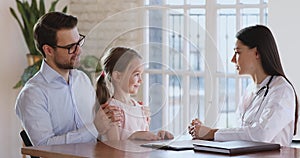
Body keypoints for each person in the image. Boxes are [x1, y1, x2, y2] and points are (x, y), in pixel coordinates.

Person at [15, 12, 121, 146]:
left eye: (79, 42)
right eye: (70, 47)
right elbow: (44, 147)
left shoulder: (82, 79)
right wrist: (94, 128)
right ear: (48, 50)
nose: (79, 51)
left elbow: (99, 127)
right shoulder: (32, 94)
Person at [188, 25, 298, 146]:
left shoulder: (282, 90)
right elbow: (242, 133)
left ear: (257, 53)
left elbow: (261, 135)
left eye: (237, 52)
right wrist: (205, 132)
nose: (233, 59)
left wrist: (211, 133)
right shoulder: (250, 90)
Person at [96, 47, 174, 140]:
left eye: (141, 75)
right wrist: (133, 137)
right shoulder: (112, 112)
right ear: (117, 76)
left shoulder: (140, 109)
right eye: (136, 74)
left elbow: (144, 139)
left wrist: (158, 136)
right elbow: (114, 149)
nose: (141, 80)